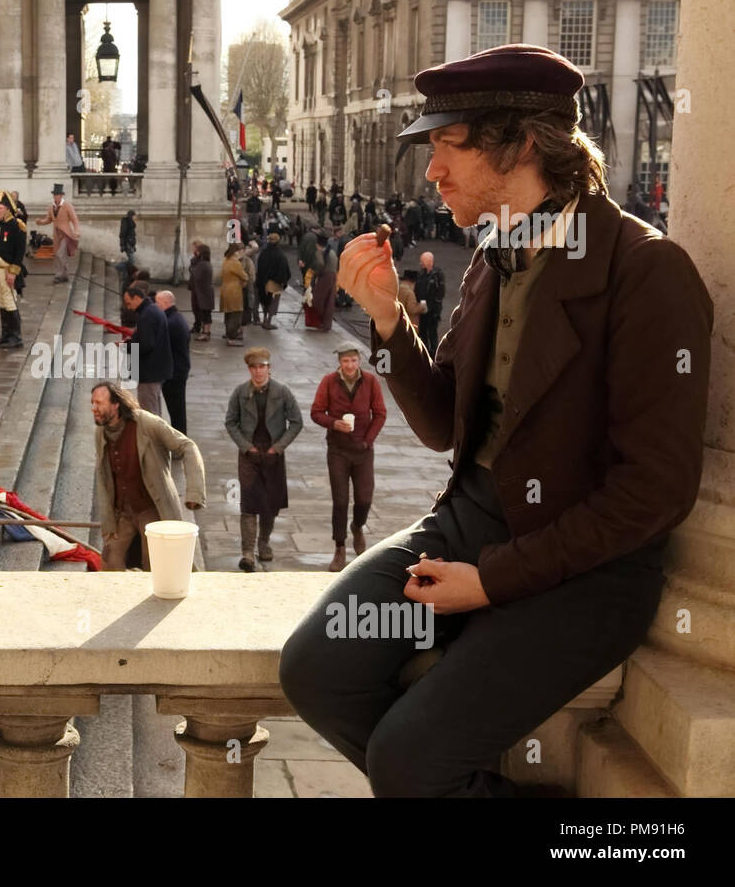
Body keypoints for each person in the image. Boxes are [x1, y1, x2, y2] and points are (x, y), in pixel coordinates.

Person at [280, 42, 713, 798]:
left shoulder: (647, 272)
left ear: (517, 145)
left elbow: (657, 491)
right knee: (314, 669)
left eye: (448, 146)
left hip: (584, 572)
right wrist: (387, 321)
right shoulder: (491, 254)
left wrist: (492, 583)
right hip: (468, 523)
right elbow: (446, 422)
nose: (431, 171)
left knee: (410, 760)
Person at [92, 382, 206, 572]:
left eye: (99, 403)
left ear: (116, 405)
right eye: (92, 403)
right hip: (123, 512)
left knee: (154, 565)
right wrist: (109, 521)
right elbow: (104, 479)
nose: (93, 408)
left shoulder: (147, 424)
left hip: (151, 509)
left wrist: (194, 491)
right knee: (110, 559)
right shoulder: (100, 432)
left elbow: (187, 446)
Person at [225, 348, 304, 572]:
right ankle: (247, 552)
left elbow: (296, 422)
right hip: (249, 454)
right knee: (248, 502)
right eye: (254, 367)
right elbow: (231, 422)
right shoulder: (240, 392)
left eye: (262, 366)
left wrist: (278, 448)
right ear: (249, 369)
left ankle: (264, 542)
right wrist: (245, 446)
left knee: (269, 503)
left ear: (269, 368)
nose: (258, 371)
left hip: (273, 454)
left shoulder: (282, 392)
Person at [311, 345, 387, 571]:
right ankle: (340, 547)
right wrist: (334, 423)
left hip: (363, 450)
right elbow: (316, 412)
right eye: (346, 361)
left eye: (353, 361)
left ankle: (357, 526)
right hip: (338, 450)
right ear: (340, 362)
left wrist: (368, 440)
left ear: (359, 361)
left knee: (364, 498)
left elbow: (380, 413)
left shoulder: (371, 382)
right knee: (340, 500)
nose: (350, 366)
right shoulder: (329, 381)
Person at [123, 281, 172, 415]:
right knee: (154, 412)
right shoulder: (152, 309)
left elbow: (145, 346)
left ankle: (152, 437)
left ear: (137, 298)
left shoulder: (147, 315)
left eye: (129, 303)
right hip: (155, 370)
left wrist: (126, 346)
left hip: (149, 372)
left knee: (148, 415)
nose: (129, 308)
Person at [0, 190, 27, 349]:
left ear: (7, 209)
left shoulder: (16, 225)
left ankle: (16, 337)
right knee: (1, 302)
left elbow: (20, 251)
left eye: (0, 209)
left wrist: (13, 272)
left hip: (7, 269)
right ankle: (5, 334)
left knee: (10, 302)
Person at [155, 291, 191, 434]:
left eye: (157, 303)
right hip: (178, 369)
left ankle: (180, 441)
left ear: (165, 303)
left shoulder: (171, 323)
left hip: (175, 373)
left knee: (176, 411)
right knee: (177, 410)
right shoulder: (176, 318)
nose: (156, 307)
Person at [36, 182, 81, 284]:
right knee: (57, 254)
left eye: (57, 195)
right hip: (56, 234)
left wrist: (77, 230)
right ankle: (63, 275)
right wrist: (40, 222)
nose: (55, 197)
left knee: (61, 253)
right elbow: (48, 219)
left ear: (61, 195)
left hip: (66, 233)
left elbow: (74, 219)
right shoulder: (51, 207)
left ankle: (60, 274)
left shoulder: (67, 205)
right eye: (54, 195)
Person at [256, 232, 292, 330]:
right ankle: (268, 321)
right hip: (275, 283)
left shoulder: (263, 253)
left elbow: (259, 267)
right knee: (273, 302)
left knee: (264, 301)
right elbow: (284, 270)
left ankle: (264, 319)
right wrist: (283, 281)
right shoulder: (280, 255)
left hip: (264, 282)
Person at [414, 249, 447, 355]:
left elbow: (440, 293)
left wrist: (436, 308)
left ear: (429, 262)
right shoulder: (421, 274)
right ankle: (424, 351)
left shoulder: (437, 274)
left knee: (432, 332)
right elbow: (418, 287)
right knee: (423, 331)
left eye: (422, 261)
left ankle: (433, 353)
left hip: (433, 310)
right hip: (423, 308)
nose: (420, 263)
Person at [307, 233, 339, 332]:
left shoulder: (320, 252)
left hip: (325, 276)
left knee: (319, 299)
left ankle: (319, 321)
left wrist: (317, 274)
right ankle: (327, 324)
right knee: (329, 301)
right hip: (333, 275)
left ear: (318, 244)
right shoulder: (332, 252)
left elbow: (320, 264)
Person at [220, 244, 249, 346]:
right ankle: (231, 337)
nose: (241, 253)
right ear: (235, 252)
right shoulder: (235, 262)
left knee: (228, 313)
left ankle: (229, 335)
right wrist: (245, 278)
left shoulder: (226, 261)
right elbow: (244, 276)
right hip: (234, 290)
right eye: (240, 251)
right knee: (236, 314)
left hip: (225, 288)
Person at [188, 242, 214, 342]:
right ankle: (205, 332)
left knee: (205, 314)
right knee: (205, 313)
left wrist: (192, 267)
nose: (196, 252)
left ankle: (206, 333)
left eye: (198, 251)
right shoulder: (205, 263)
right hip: (204, 293)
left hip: (204, 293)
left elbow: (195, 274)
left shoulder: (203, 264)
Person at [241, 240, 261, 326]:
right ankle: (251, 318)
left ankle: (252, 317)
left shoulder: (249, 254)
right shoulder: (246, 253)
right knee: (250, 298)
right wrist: (253, 245)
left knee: (252, 299)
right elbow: (255, 248)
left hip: (252, 278)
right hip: (249, 279)